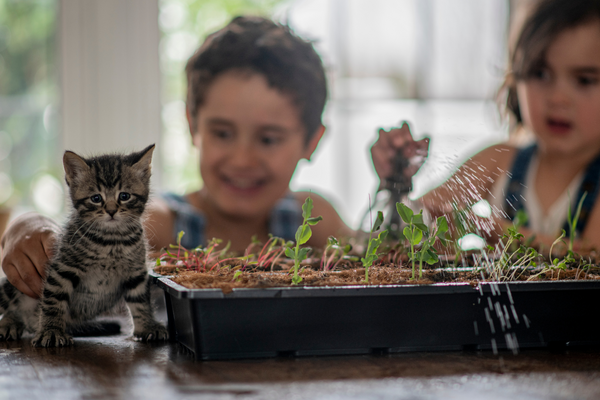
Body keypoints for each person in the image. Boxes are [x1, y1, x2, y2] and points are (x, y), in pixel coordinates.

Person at [1, 16, 364, 299]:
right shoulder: (164, 223)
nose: (242, 159)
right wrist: (25, 223)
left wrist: (397, 187)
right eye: (222, 133)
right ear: (192, 126)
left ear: (311, 142)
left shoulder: (313, 219)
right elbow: (70, 231)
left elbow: (387, 252)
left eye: (268, 139)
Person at [374, 0, 600, 252]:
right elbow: (423, 217)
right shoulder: (499, 160)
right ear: (516, 81)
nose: (558, 98)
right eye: (541, 74)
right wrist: (398, 182)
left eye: (585, 80)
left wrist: (493, 230)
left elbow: (591, 253)